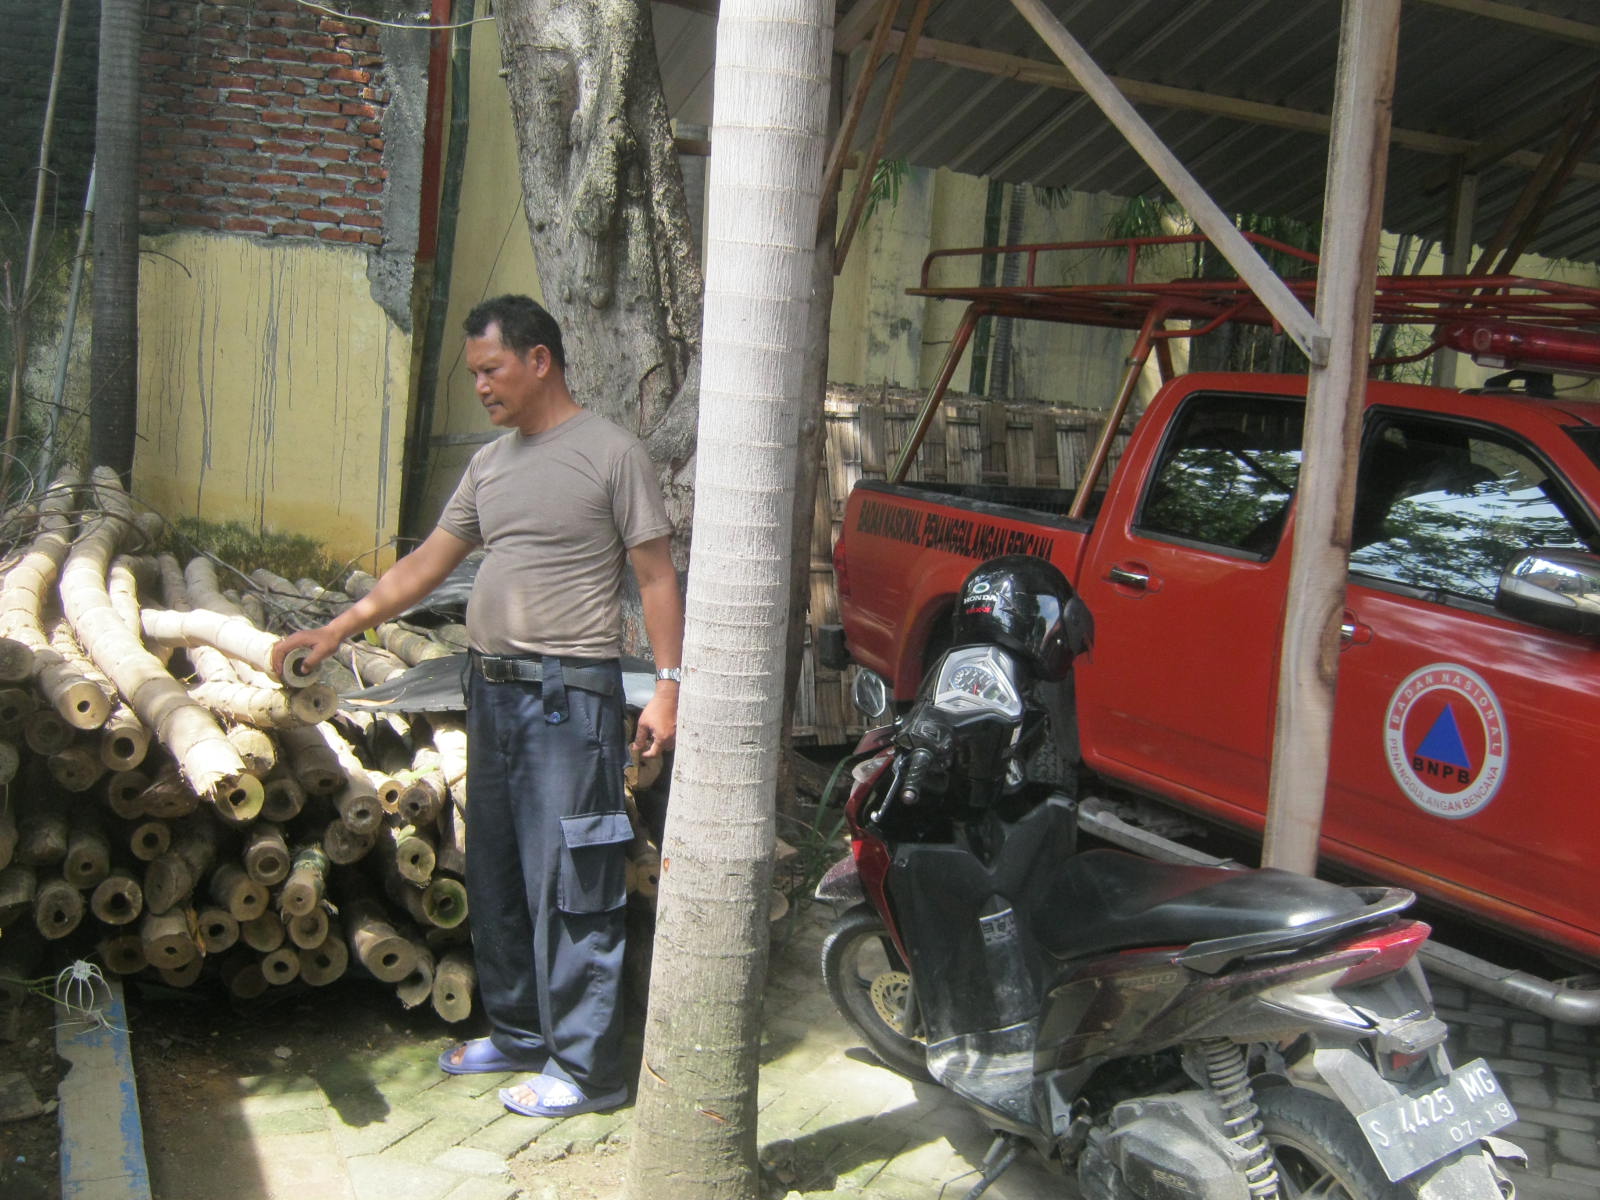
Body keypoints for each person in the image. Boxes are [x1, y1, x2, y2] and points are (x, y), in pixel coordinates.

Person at [271, 294, 684, 1119]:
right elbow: (425, 565)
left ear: (540, 360)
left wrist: (671, 684)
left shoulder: (610, 453)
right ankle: (525, 1037)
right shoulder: (491, 466)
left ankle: (588, 1072)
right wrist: (338, 626)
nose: (482, 388)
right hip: (490, 695)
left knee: (574, 882)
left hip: (571, 703)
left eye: (491, 370)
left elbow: (655, 576)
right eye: (475, 375)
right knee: (494, 871)